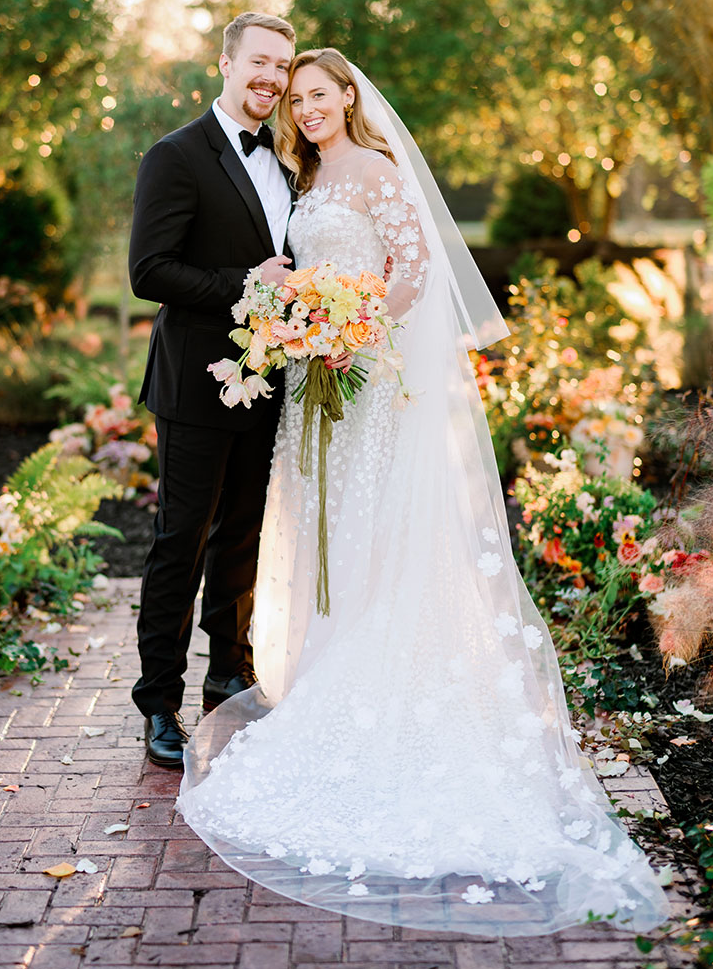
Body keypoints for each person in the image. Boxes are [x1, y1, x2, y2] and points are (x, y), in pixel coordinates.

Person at [176, 48, 670, 936]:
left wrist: (347, 327)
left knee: (380, 533)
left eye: (320, 95)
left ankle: (387, 698)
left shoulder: (376, 168)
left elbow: (414, 276)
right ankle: (330, 673)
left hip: (371, 383)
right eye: (297, 98)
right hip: (318, 384)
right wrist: (300, 324)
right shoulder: (306, 171)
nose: (308, 108)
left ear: (349, 96)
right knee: (328, 532)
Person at [128, 11, 296, 768]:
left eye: (283, 67)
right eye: (259, 61)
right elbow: (149, 271)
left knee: (243, 536)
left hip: (271, 378)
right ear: (226, 65)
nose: (272, 78)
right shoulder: (176, 156)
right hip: (196, 382)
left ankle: (228, 671)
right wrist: (242, 286)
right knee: (180, 540)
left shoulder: (292, 159)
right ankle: (158, 700)